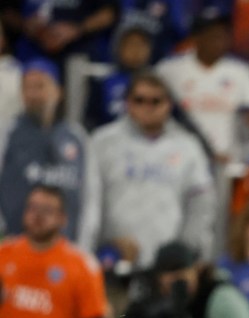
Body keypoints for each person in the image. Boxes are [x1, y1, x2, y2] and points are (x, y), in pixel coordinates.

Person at [91, 71, 217, 271]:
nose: (147, 108)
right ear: (127, 103)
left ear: (169, 104)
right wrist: (102, 243)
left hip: (165, 265)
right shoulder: (102, 142)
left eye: (155, 101)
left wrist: (183, 250)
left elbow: (201, 204)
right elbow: (90, 199)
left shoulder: (187, 146)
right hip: (113, 256)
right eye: (139, 100)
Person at [157, 8, 249, 165]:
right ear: (197, 38)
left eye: (224, 34)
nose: (220, 39)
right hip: (177, 158)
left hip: (225, 159)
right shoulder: (169, 70)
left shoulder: (241, 71)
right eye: (213, 34)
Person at [0, 186, 107, 318]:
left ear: (63, 219)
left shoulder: (82, 265)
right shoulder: (3, 255)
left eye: (47, 210)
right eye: (33, 208)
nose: (38, 216)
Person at [0, 59, 96, 248]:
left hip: (66, 253)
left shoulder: (77, 137)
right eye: (27, 87)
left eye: (40, 86)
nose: (33, 94)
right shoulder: (7, 134)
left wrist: (84, 247)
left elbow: (90, 196)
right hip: (14, 248)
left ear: (59, 91)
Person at [85, 20, 154, 130]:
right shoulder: (103, 82)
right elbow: (91, 120)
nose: (136, 51)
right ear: (118, 48)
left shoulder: (157, 83)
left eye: (141, 45)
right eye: (131, 44)